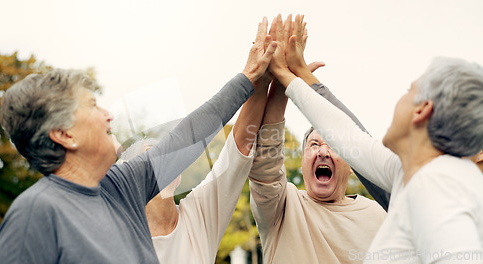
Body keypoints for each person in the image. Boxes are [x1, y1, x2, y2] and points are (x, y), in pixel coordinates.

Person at [0, 18, 277, 263]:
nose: (108, 115)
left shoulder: (123, 186)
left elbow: (188, 135)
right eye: (92, 106)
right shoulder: (34, 216)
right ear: (65, 134)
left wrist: (249, 77)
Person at [273, 14, 483, 264]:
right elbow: (349, 136)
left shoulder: (441, 188)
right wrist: (291, 76)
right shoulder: (416, 173)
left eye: (409, 91)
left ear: (421, 110)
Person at [117, 19, 272, 263]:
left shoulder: (199, 214)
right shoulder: (113, 237)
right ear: (130, 175)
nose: (166, 158)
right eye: (151, 154)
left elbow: (239, 145)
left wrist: (263, 76)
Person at [248, 15, 387, 264]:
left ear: (354, 164)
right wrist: (281, 84)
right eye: (314, 145)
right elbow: (265, 161)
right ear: (302, 163)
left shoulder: (378, 216)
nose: (323, 152)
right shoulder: (282, 206)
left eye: (333, 145)